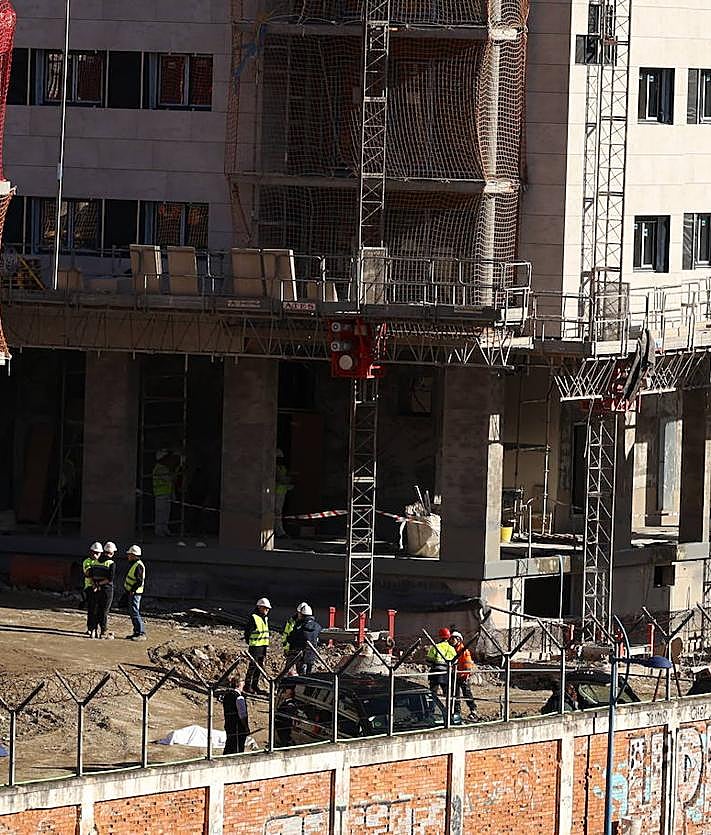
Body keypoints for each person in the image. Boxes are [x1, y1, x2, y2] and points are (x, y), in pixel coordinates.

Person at [87, 542, 116, 639]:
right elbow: (110, 579)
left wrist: (95, 585)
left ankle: (93, 630)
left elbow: (89, 576)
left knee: (95, 610)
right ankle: (103, 632)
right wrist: (100, 584)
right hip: (106, 590)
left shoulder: (95, 562)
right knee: (104, 611)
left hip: (95, 589)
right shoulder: (111, 563)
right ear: (111, 553)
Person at [285, 603, 322, 676]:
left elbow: (291, 639)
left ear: (302, 615)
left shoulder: (300, 628)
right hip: (312, 657)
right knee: (310, 676)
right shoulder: (318, 627)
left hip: (301, 657)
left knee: (302, 677)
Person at [244, 597, 271, 694]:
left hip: (262, 647)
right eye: (265, 608)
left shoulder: (265, 618)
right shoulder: (254, 618)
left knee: (259, 667)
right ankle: (247, 686)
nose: (267, 610)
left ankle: (255, 685)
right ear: (260, 607)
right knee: (252, 667)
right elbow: (247, 632)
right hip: (255, 647)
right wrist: (250, 642)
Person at [450, 631, 477, 721]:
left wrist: (465, 674)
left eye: (453, 639)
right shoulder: (452, 649)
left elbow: (468, 664)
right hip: (455, 675)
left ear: (459, 640)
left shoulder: (463, 650)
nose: (451, 640)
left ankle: (473, 710)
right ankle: (457, 712)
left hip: (462, 676)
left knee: (467, 693)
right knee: (455, 695)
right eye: (451, 638)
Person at [221, 677, 250, 755]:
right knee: (237, 749)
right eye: (243, 681)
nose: (244, 683)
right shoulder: (239, 697)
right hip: (238, 727)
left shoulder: (227, 696)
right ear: (239, 683)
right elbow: (242, 715)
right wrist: (246, 727)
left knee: (229, 746)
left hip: (229, 725)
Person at [124, 545, 147, 641]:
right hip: (132, 592)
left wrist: (132, 590)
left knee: (135, 612)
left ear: (133, 555)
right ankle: (137, 632)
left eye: (129, 554)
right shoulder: (136, 564)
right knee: (133, 612)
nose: (128, 556)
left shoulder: (138, 566)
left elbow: (139, 581)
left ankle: (141, 633)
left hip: (135, 593)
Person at [426, 627, 457, 696]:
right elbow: (455, 662)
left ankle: (432, 706)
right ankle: (448, 706)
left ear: (440, 636)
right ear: (448, 637)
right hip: (446, 673)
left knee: (433, 693)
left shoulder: (435, 646)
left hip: (435, 673)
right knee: (447, 694)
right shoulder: (451, 648)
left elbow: (428, 660)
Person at [152, 450, 175, 537]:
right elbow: (169, 479)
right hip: (160, 493)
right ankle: (159, 530)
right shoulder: (160, 468)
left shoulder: (164, 468)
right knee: (160, 513)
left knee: (166, 513)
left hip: (166, 492)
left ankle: (164, 529)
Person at [83, 542, 102, 637]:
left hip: (99, 588)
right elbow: (88, 574)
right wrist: (94, 584)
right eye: (94, 552)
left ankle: (97, 628)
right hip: (90, 588)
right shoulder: (87, 561)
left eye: (97, 553)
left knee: (99, 610)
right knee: (91, 609)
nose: (95, 555)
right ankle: (90, 628)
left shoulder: (101, 562)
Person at [274, 450, 293, 537]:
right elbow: (280, 479)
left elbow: (283, 479)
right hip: (275, 493)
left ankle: (279, 531)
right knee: (276, 513)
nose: (280, 460)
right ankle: (279, 532)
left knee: (278, 513)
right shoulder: (275, 468)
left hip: (281, 493)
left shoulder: (282, 468)